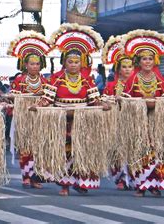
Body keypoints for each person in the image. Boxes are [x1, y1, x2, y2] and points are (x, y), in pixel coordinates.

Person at [38, 23, 106, 196]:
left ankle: (82, 181)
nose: (74, 65)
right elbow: (47, 99)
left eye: (77, 62)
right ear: (64, 62)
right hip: (62, 122)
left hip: (82, 122)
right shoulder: (56, 79)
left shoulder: (87, 80)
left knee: (82, 150)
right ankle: (65, 185)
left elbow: (94, 99)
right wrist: (38, 106)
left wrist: (103, 105)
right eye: (70, 62)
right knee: (64, 151)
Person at [121, 30, 164, 197]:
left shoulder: (159, 79)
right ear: (139, 61)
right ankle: (141, 186)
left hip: (157, 123)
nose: (147, 62)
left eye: (150, 59)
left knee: (158, 153)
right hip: (140, 124)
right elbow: (126, 100)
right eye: (144, 59)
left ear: (155, 60)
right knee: (141, 152)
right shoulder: (133, 79)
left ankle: (155, 185)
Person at [8, 30, 52, 189]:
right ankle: (26, 175)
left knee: (39, 147)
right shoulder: (19, 80)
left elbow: (50, 98)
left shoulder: (45, 81)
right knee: (25, 147)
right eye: (31, 64)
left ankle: (36, 177)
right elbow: (12, 96)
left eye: (37, 64)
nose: (34, 66)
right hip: (24, 117)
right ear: (25, 65)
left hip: (40, 118)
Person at [101, 35, 135, 190]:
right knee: (117, 150)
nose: (128, 70)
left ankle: (135, 177)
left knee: (133, 149)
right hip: (115, 122)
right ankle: (120, 179)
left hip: (134, 122)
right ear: (118, 69)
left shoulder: (139, 82)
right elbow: (104, 100)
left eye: (130, 67)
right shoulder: (111, 85)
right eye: (124, 67)